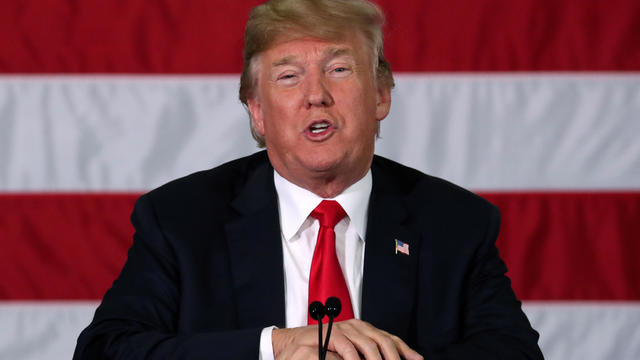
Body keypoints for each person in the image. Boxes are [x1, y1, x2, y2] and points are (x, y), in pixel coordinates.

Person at [74, 0, 543, 359]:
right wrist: (272, 348)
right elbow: (106, 350)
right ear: (257, 111)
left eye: (339, 69)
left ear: (381, 95)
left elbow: (515, 353)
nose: (316, 95)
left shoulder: (455, 222)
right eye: (288, 76)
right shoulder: (181, 219)